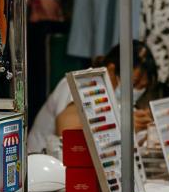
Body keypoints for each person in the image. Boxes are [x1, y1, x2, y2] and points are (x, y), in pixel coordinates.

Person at [28, 40, 158, 153]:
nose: (137, 91)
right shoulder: (81, 84)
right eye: (134, 83)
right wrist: (122, 126)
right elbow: (67, 134)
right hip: (42, 162)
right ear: (112, 70)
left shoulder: (121, 102)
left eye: (143, 87)